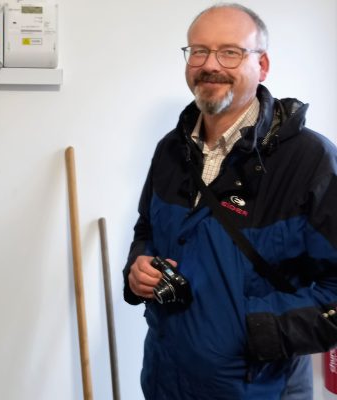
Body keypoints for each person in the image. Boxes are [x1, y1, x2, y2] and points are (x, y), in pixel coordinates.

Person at [123, 3, 337, 400]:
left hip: (260, 387)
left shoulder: (311, 160)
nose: (210, 65)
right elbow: (146, 230)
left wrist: (250, 330)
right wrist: (138, 270)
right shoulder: (170, 150)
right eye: (198, 51)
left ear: (263, 64)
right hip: (164, 378)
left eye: (231, 52)